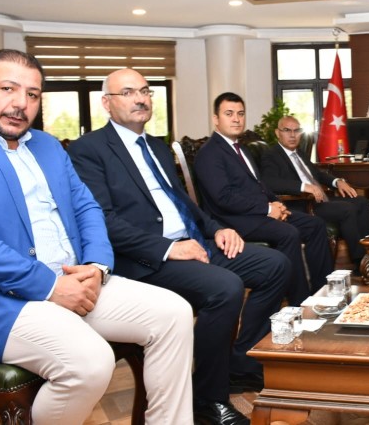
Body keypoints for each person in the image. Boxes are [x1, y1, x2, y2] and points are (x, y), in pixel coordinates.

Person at [0, 50, 195, 425]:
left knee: (174, 313)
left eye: (32, 94)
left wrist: (96, 267)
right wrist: (48, 286)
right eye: (8, 89)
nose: (21, 103)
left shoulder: (47, 146)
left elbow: (87, 208)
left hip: (76, 280)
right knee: (91, 361)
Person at [69, 69, 289, 425]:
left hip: (193, 244)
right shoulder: (88, 150)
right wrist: (168, 249)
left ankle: (238, 364)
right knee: (225, 288)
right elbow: (102, 220)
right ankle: (207, 399)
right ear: (106, 103)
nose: (140, 99)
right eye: (128, 92)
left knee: (275, 265)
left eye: (145, 91)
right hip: (146, 258)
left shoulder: (157, 146)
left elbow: (186, 204)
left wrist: (218, 229)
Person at [194, 92, 333, 305]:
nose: (236, 119)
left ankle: (324, 290)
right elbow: (224, 198)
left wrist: (278, 204)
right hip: (232, 221)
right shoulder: (209, 153)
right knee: (288, 233)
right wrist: (268, 209)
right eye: (229, 114)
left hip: (255, 213)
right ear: (216, 119)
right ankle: (300, 302)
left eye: (240, 114)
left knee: (315, 225)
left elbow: (260, 185)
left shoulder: (242, 149)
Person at [260, 115, 369, 270]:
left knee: (362, 202)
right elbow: (270, 182)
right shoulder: (271, 155)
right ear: (277, 133)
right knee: (347, 209)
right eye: (287, 130)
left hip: (319, 200)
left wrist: (337, 181)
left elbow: (317, 174)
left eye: (296, 131)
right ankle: (361, 263)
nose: (293, 135)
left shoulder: (299, 153)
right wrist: (303, 186)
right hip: (301, 204)